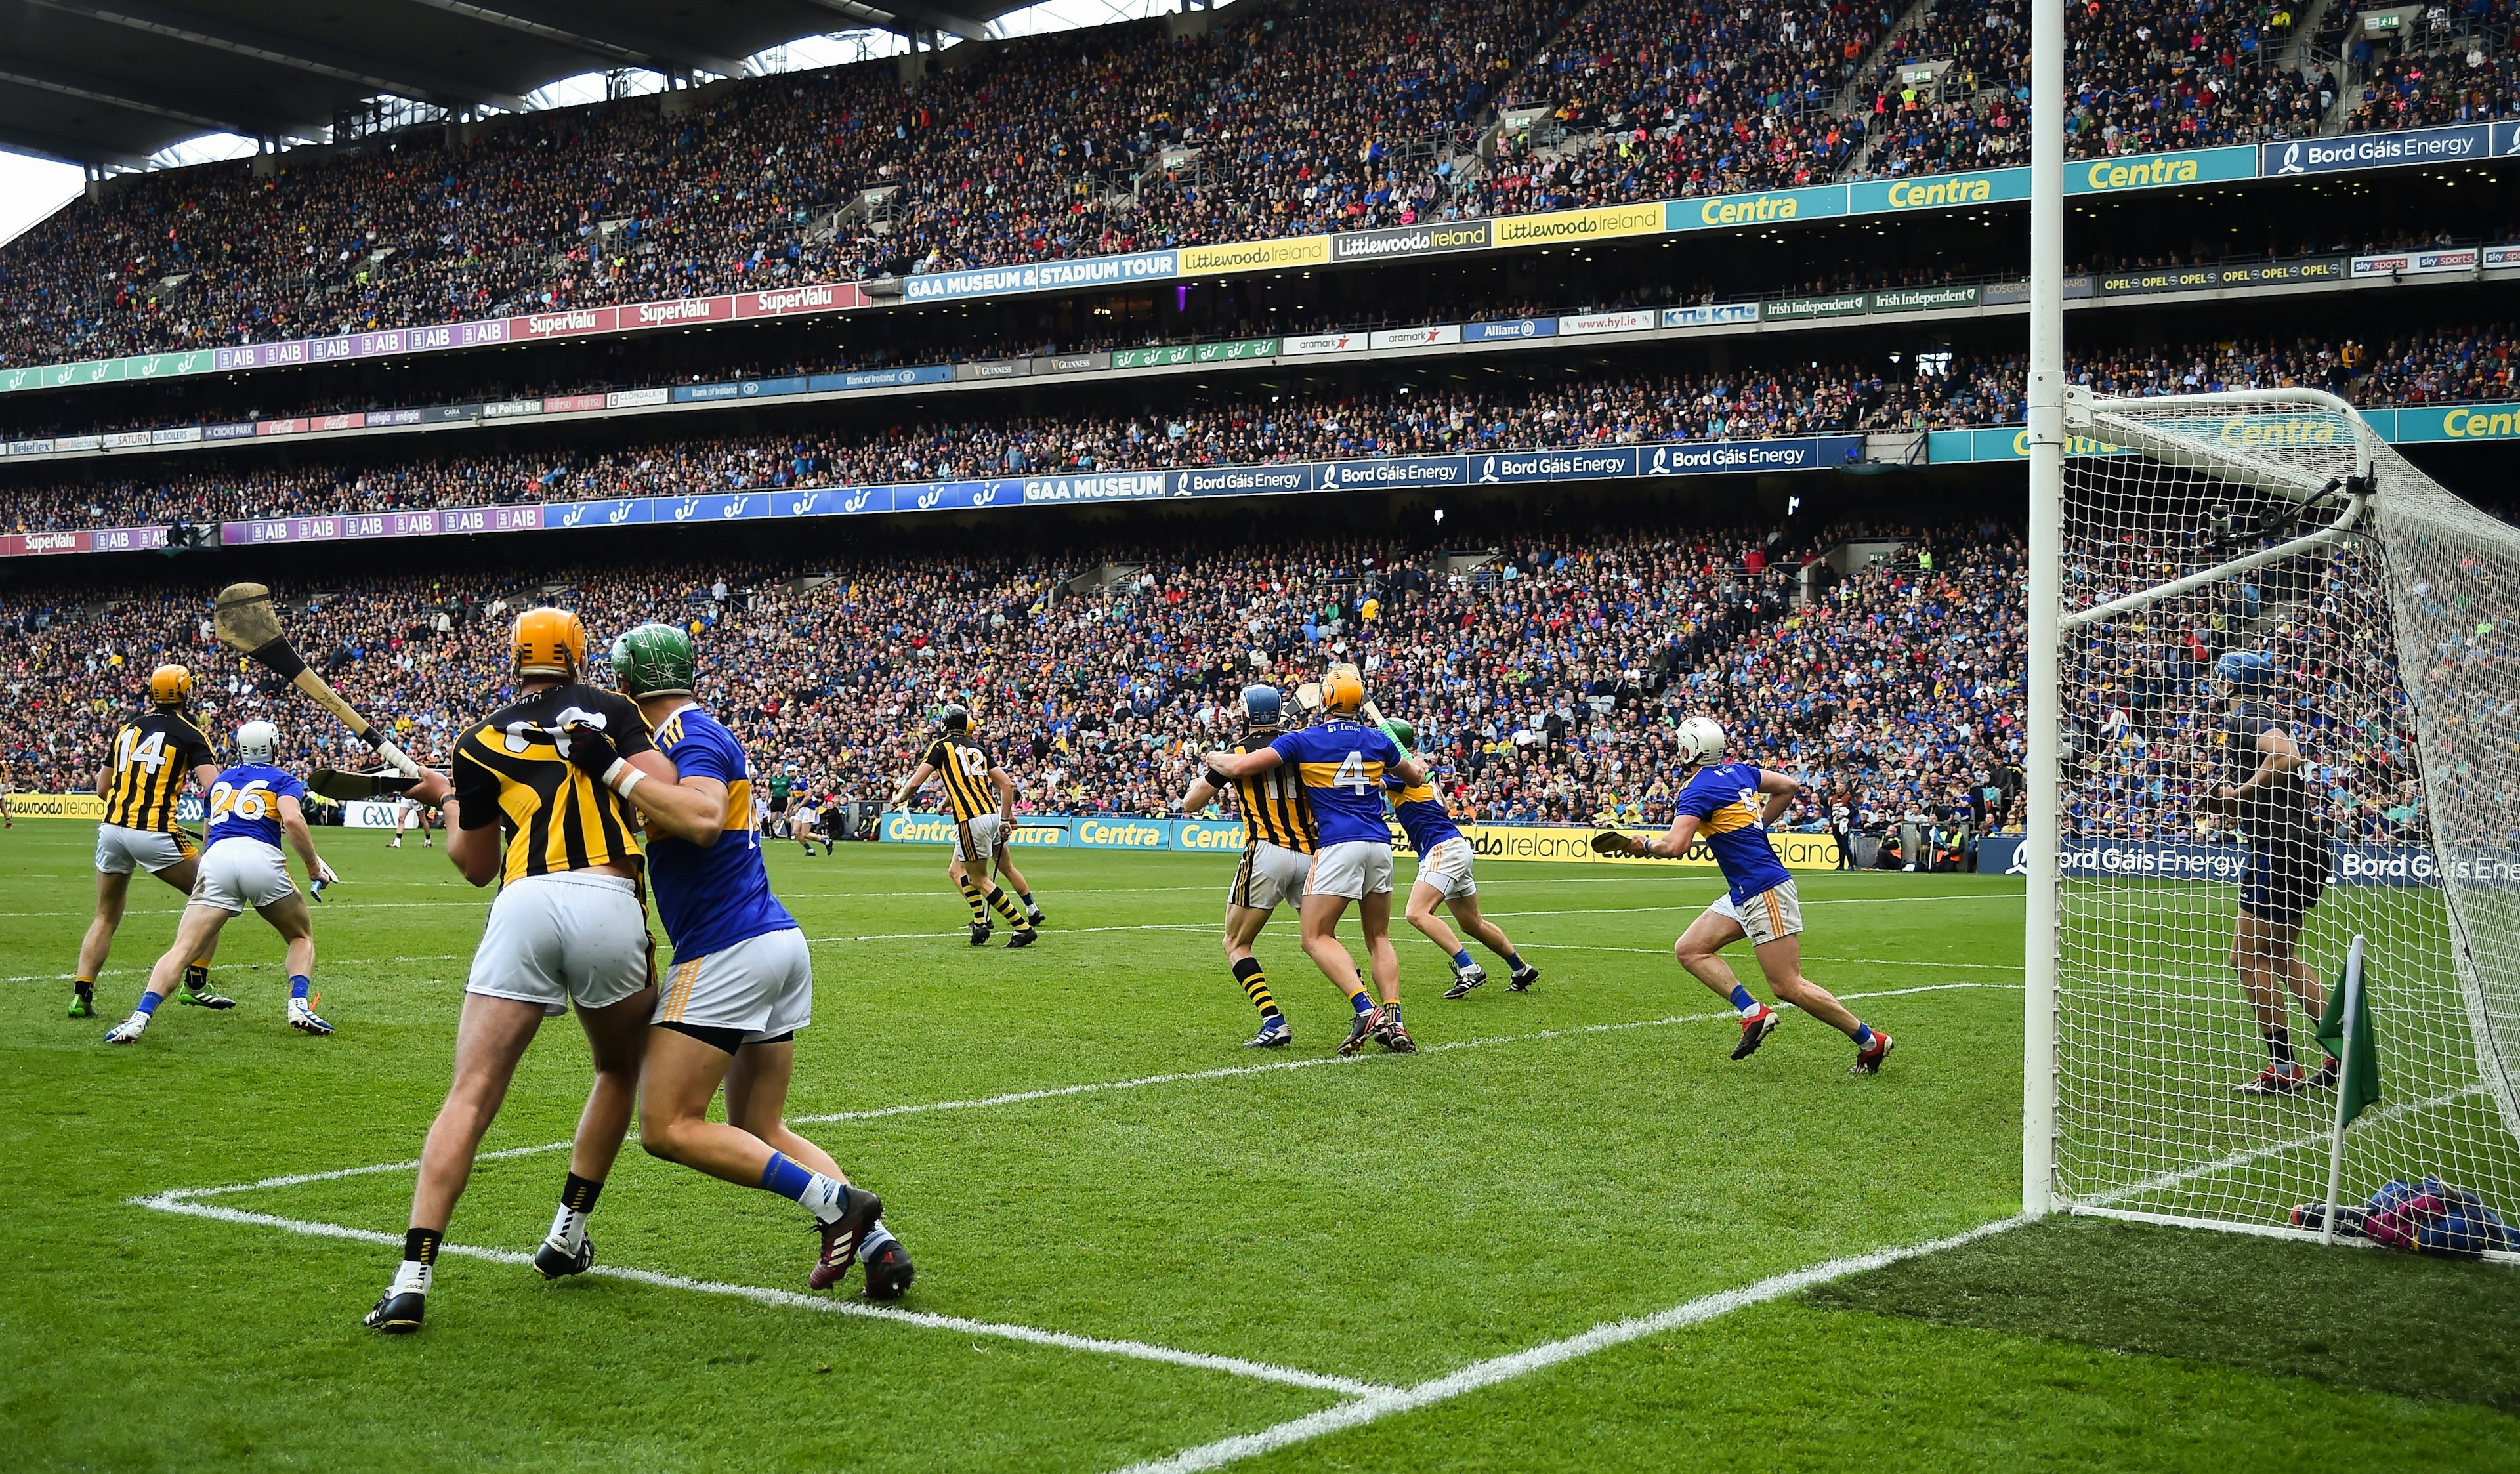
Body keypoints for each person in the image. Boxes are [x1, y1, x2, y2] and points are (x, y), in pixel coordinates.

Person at [365, 608, 672, 1334]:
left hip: (523, 900)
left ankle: (411, 1278)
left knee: (470, 1093)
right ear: (577, 652)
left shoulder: (477, 737)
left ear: (515, 657)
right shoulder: (614, 707)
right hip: (608, 896)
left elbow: (474, 866)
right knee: (617, 1070)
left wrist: (446, 796)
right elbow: (658, 792)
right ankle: (567, 1234)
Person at [591, 624, 905, 1296]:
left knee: (667, 1125)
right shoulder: (690, 735)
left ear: (625, 686)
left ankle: (835, 1202)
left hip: (728, 948)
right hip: (771, 942)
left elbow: (703, 818)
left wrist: (611, 767)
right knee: (759, 1126)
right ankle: (876, 1243)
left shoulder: (685, 736)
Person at [1602, 716, 1893, 1074]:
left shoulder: (1696, 790)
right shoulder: (1739, 772)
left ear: (1688, 750)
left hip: (1762, 888)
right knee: (1690, 949)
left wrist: (1643, 844)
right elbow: (1788, 786)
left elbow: (1675, 846)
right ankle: (1754, 1013)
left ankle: (1870, 1041)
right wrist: (1758, 825)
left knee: (1788, 985)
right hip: (1745, 889)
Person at [1203, 667, 1428, 1055]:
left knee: (1315, 937)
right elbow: (1412, 776)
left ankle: (1365, 1009)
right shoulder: (1378, 739)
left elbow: (1240, 767)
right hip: (1379, 844)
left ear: (1325, 699)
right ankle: (1397, 1021)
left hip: (1338, 845)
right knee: (1379, 937)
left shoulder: (1305, 740)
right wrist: (1419, 765)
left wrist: (1209, 755)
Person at [104, 720, 339, 1043]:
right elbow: (294, 819)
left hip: (216, 859)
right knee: (300, 936)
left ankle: (139, 1017)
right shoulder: (284, 779)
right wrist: (313, 867)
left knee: (183, 949)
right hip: (261, 860)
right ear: (274, 746)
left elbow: (208, 834)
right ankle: (298, 1004)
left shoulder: (221, 781)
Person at [2203, 664, 2336, 1095]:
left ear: (2231, 682)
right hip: (2304, 845)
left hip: (2278, 850)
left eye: (2219, 676)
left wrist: (2237, 794)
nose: (2214, 683)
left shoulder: (2248, 717)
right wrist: (2232, 803)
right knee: (2279, 957)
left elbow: (2286, 756)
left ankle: (2282, 1067)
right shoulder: (2258, 716)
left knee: (2245, 959)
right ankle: (2342, 1049)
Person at [72, 663, 227, 1021]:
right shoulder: (191, 734)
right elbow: (215, 790)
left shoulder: (127, 729)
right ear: (186, 694)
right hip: (155, 833)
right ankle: (197, 985)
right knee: (216, 892)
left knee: (106, 916)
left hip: (111, 829)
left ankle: (81, 994)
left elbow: (101, 789)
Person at [1178, 684, 1318, 1047]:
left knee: (1236, 943)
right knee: (1324, 940)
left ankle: (1273, 1021)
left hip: (1266, 852)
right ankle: (1368, 1008)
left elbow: (1191, 804)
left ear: (1245, 714)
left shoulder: (1236, 755)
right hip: (1311, 853)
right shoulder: (1303, 746)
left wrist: (1208, 770)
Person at [1380, 719, 1539, 1000]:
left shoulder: (1402, 772)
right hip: (1454, 846)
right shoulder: (1414, 770)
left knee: (1416, 913)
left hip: (1442, 849)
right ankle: (1520, 969)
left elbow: (1373, 782)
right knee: (1472, 923)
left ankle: (1469, 968)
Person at [889, 706, 1040, 948]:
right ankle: (980, 924)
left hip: (970, 819)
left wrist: (900, 798)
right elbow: (1007, 784)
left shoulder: (940, 747)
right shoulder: (979, 748)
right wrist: (1004, 817)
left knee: (980, 879)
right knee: (957, 871)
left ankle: (1022, 928)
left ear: (945, 725)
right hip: (991, 814)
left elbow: (916, 782)